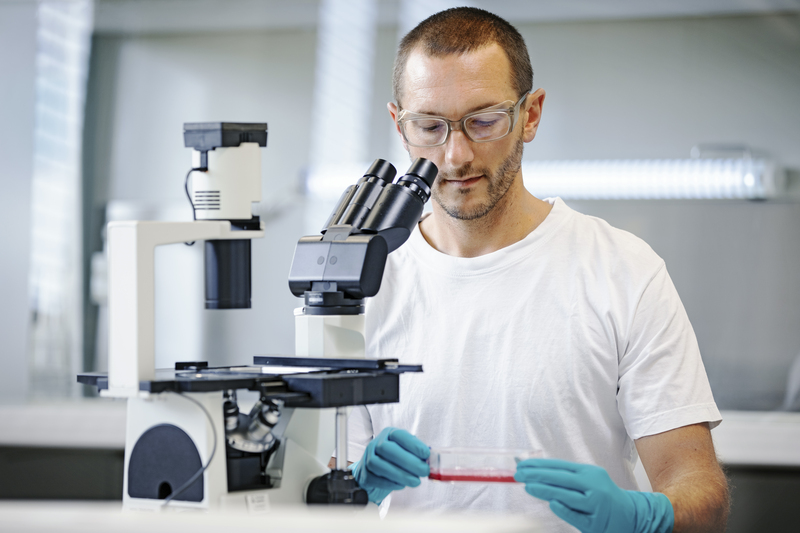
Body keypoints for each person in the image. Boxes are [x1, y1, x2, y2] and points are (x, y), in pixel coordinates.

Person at [341, 7, 729, 532]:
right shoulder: (359, 287)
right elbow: (314, 496)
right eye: (429, 126)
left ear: (531, 114)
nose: (455, 155)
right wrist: (346, 492)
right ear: (399, 125)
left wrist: (647, 517)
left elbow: (700, 489)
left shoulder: (623, 271)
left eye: (483, 121)